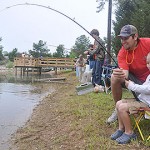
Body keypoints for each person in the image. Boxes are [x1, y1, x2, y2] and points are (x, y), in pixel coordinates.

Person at [107, 25, 150, 124]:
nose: (123, 41)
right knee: (114, 77)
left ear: (135, 37)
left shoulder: (147, 43)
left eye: (126, 38)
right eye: (121, 38)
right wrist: (119, 73)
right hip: (137, 82)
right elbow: (125, 74)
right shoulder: (122, 53)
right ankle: (117, 110)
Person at [110, 52, 150, 144]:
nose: (147, 66)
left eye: (149, 63)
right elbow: (143, 86)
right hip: (142, 100)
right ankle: (121, 128)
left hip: (147, 105)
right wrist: (131, 84)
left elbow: (147, 89)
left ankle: (129, 132)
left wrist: (132, 86)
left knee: (122, 108)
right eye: (147, 63)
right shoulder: (149, 76)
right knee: (119, 103)